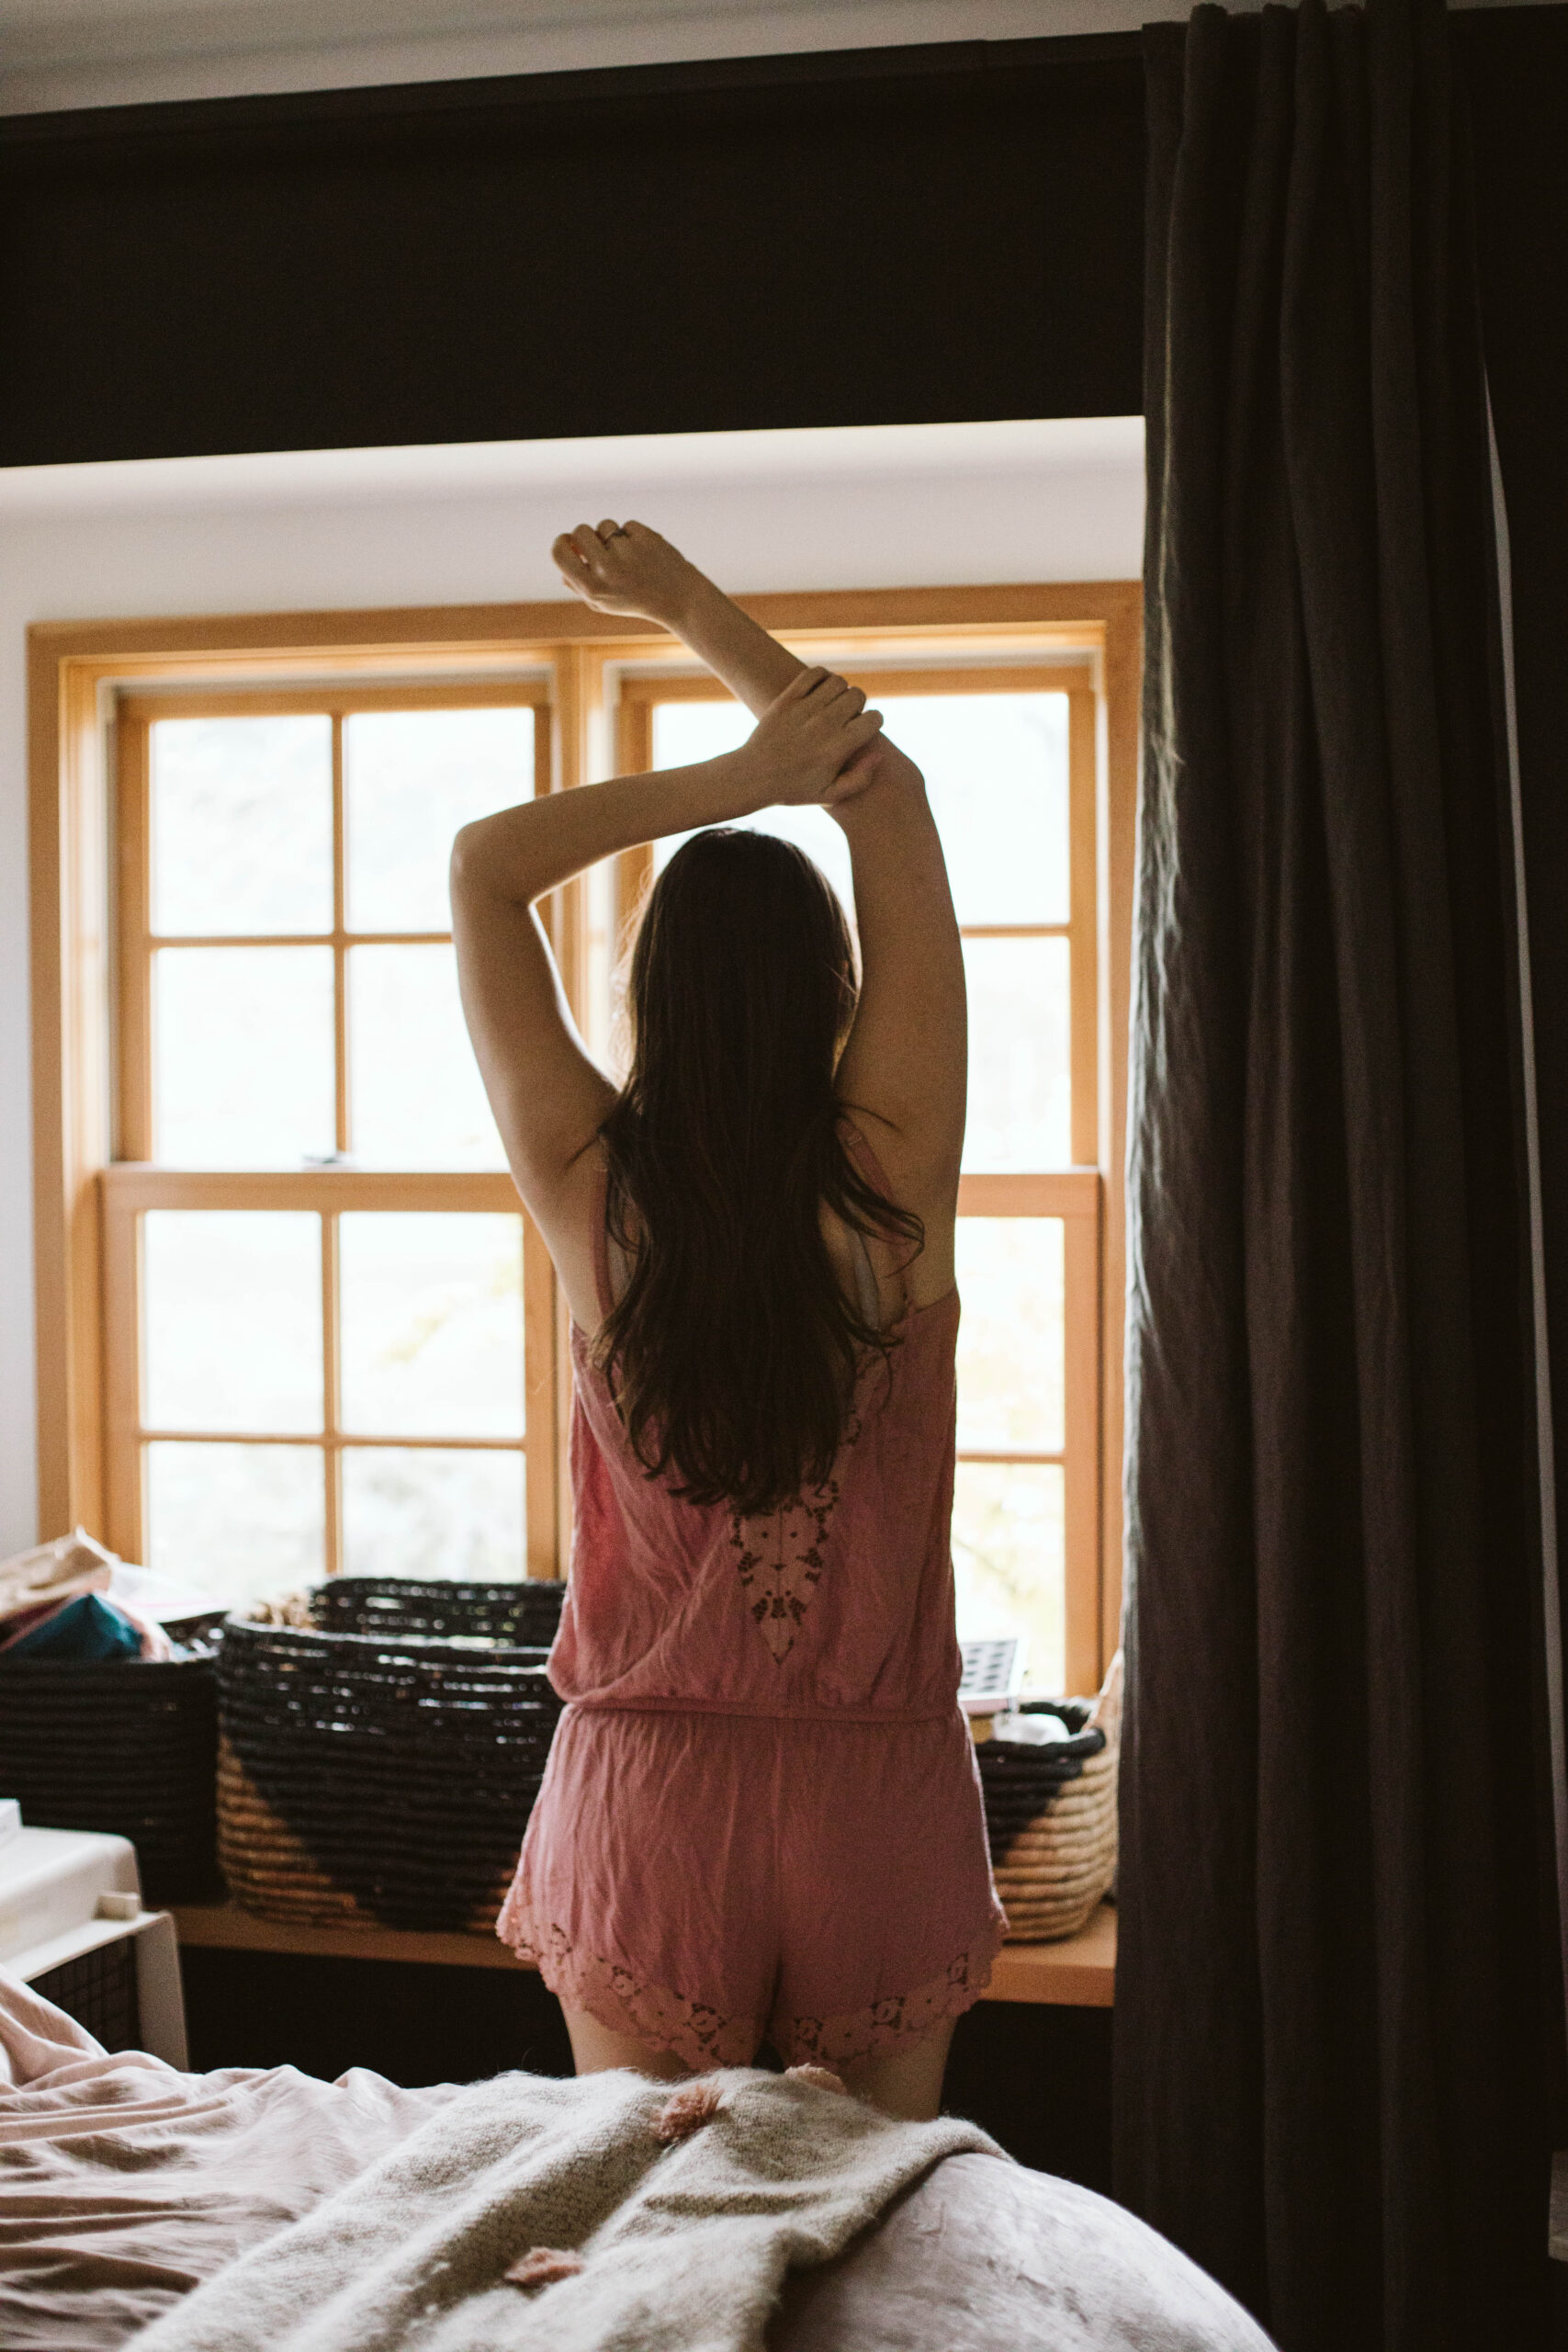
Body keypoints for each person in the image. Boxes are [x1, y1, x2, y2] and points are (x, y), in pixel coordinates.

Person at [450, 521, 1003, 2120]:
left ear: (654, 995)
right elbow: (886, 794)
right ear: (833, 990)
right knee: (876, 2234)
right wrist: (698, 613)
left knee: (650, 2233)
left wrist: (735, 780)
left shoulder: (590, 1189)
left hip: (653, 1793)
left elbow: (485, 866)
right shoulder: (893, 1174)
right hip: (878, 1790)